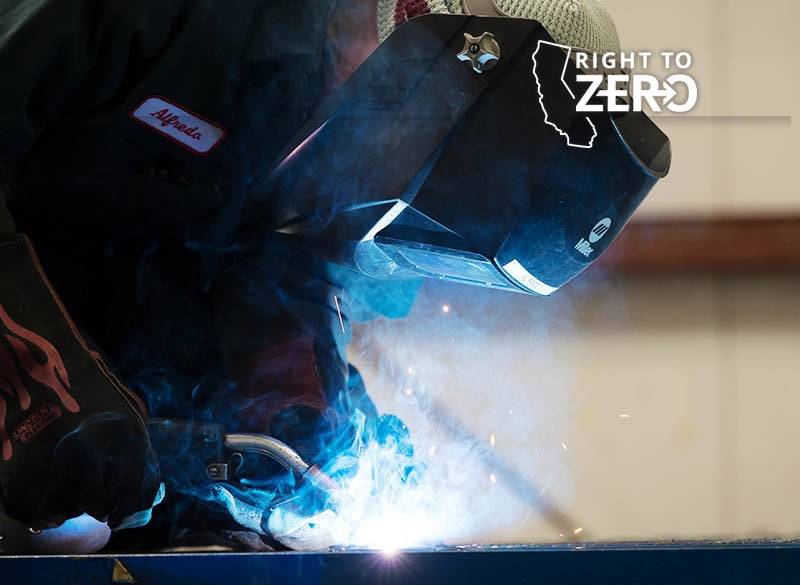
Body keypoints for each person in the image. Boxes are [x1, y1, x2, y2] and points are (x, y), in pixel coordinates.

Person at [0, 0, 631, 552]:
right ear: (414, 20)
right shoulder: (182, 19)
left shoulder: (312, 110)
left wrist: (306, 433)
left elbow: (246, 263)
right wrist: (35, 384)